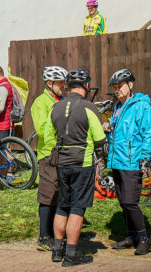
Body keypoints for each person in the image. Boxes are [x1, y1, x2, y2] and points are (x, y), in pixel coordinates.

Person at [47, 68, 106, 266]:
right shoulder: (89, 107)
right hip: (82, 162)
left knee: (62, 205)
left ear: (67, 86)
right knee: (77, 207)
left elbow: (48, 137)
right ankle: (71, 255)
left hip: (62, 163)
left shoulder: (55, 108)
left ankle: (57, 250)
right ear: (86, 85)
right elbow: (99, 139)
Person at [104, 69, 151, 256]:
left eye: (120, 86)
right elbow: (118, 133)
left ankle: (143, 239)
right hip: (117, 160)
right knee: (122, 201)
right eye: (115, 87)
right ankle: (131, 236)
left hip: (132, 161)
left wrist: (145, 157)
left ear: (130, 85)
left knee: (130, 202)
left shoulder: (141, 106)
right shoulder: (118, 107)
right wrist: (108, 129)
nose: (117, 90)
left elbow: (148, 134)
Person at [31, 65, 69, 251]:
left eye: (64, 81)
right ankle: (44, 236)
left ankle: (57, 233)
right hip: (48, 154)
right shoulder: (40, 102)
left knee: (61, 195)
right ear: (49, 83)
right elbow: (41, 129)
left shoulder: (63, 100)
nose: (63, 85)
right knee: (47, 195)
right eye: (60, 82)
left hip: (65, 154)